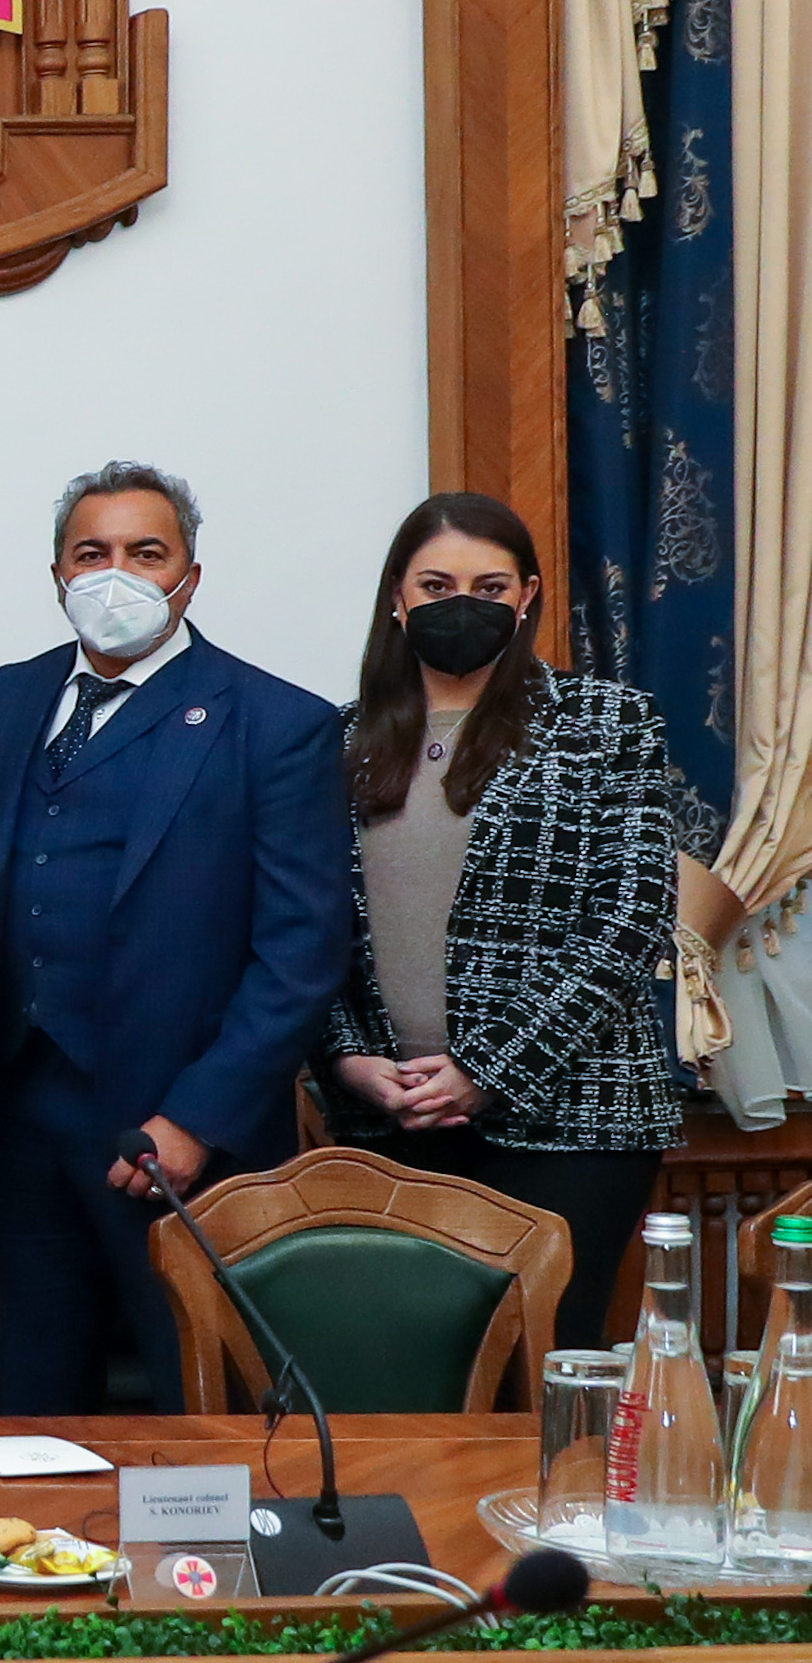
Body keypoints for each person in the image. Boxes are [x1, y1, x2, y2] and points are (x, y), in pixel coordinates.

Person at [0, 462, 353, 1416]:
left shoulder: (276, 723)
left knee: (201, 1404)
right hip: (15, 1125)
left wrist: (196, 1118)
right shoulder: (2, 702)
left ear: (190, 574)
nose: (117, 574)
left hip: (179, 1130)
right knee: (30, 1408)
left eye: (147, 552)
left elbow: (302, 949)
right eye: (91, 553)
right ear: (56, 574)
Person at [317, 493, 680, 1347]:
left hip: (572, 1116)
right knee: (410, 1376)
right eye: (436, 583)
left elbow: (633, 917)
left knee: (545, 1362)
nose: (461, 603)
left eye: (488, 584)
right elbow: (309, 926)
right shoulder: (337, 741)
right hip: (392, 1115)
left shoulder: (606, 723)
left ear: (527, 597)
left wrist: (491, 1067)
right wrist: (345, 1057)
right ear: (397, 599)